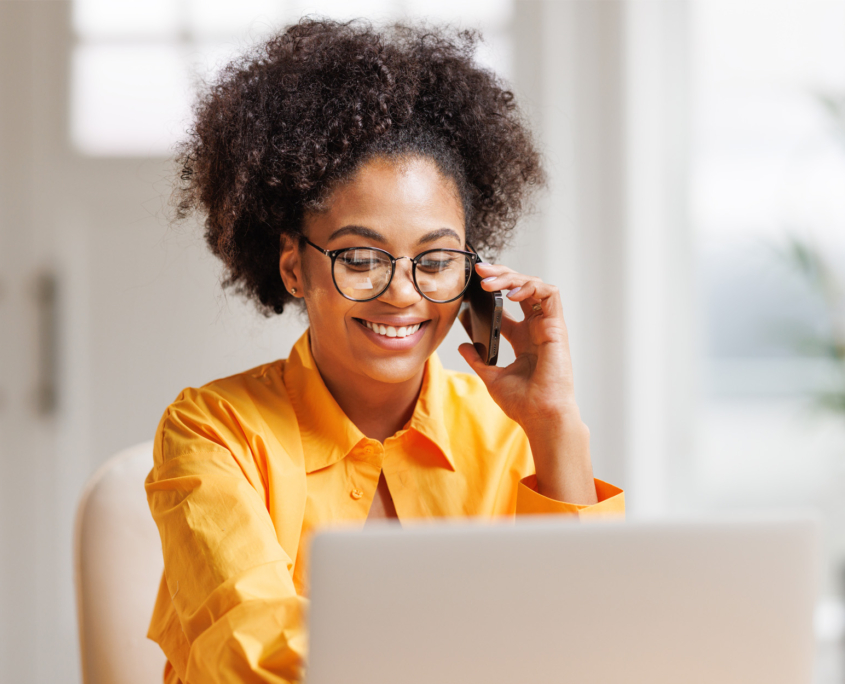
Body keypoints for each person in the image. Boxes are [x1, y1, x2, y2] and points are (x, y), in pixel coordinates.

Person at [144, 18, 625, 684]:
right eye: (361, 257)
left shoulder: (503, 431)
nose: (402, 294)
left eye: (435, 260)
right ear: (293, 268)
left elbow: (591, 643)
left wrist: (554, 424)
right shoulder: (210, 432)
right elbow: (252, 651)